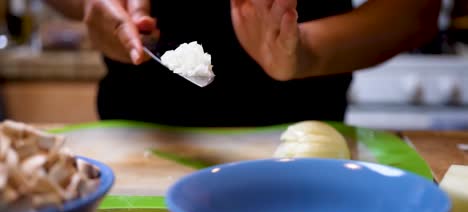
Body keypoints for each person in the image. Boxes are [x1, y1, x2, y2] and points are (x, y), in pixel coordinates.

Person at [45, 0, 441, 127]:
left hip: (301, 144)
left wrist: (305, 50)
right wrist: (92, 5)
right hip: (138, 139)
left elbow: (416, 11)